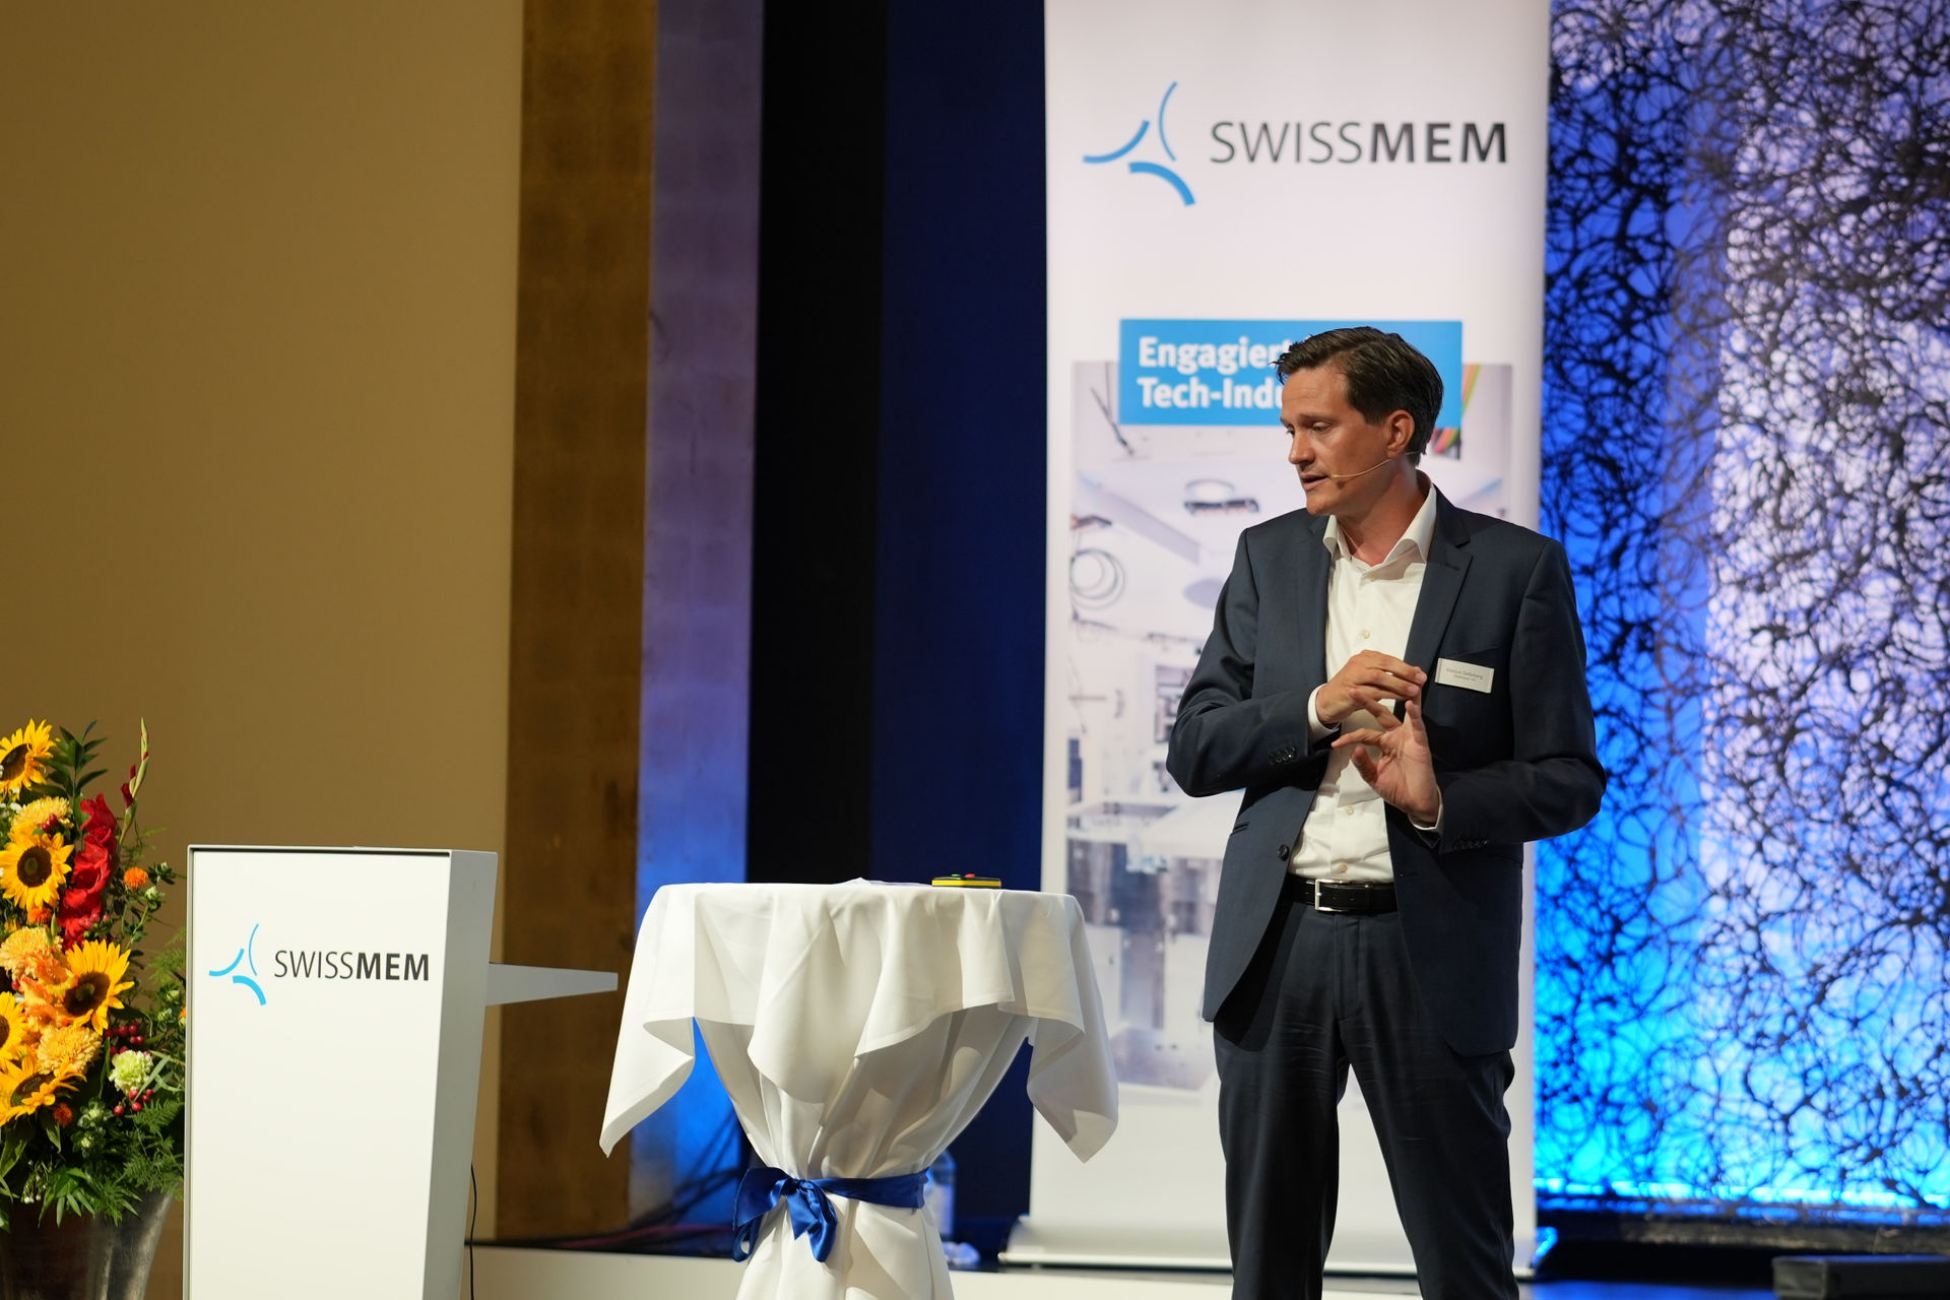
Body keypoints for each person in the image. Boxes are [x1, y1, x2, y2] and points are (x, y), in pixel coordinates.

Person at [1166, 327, 1605, 1300]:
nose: (1295, 452)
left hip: (1428, 947)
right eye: (1290, 429)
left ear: (1397, 430)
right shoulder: (1267, 557)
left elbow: (1571, 776)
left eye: (1318, 427)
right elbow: (1195, 747)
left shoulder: (1514, 569)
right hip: (1278, 946)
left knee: (1464, 1266)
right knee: (1268, 1268)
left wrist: (1441, 798)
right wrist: (1315, 708)